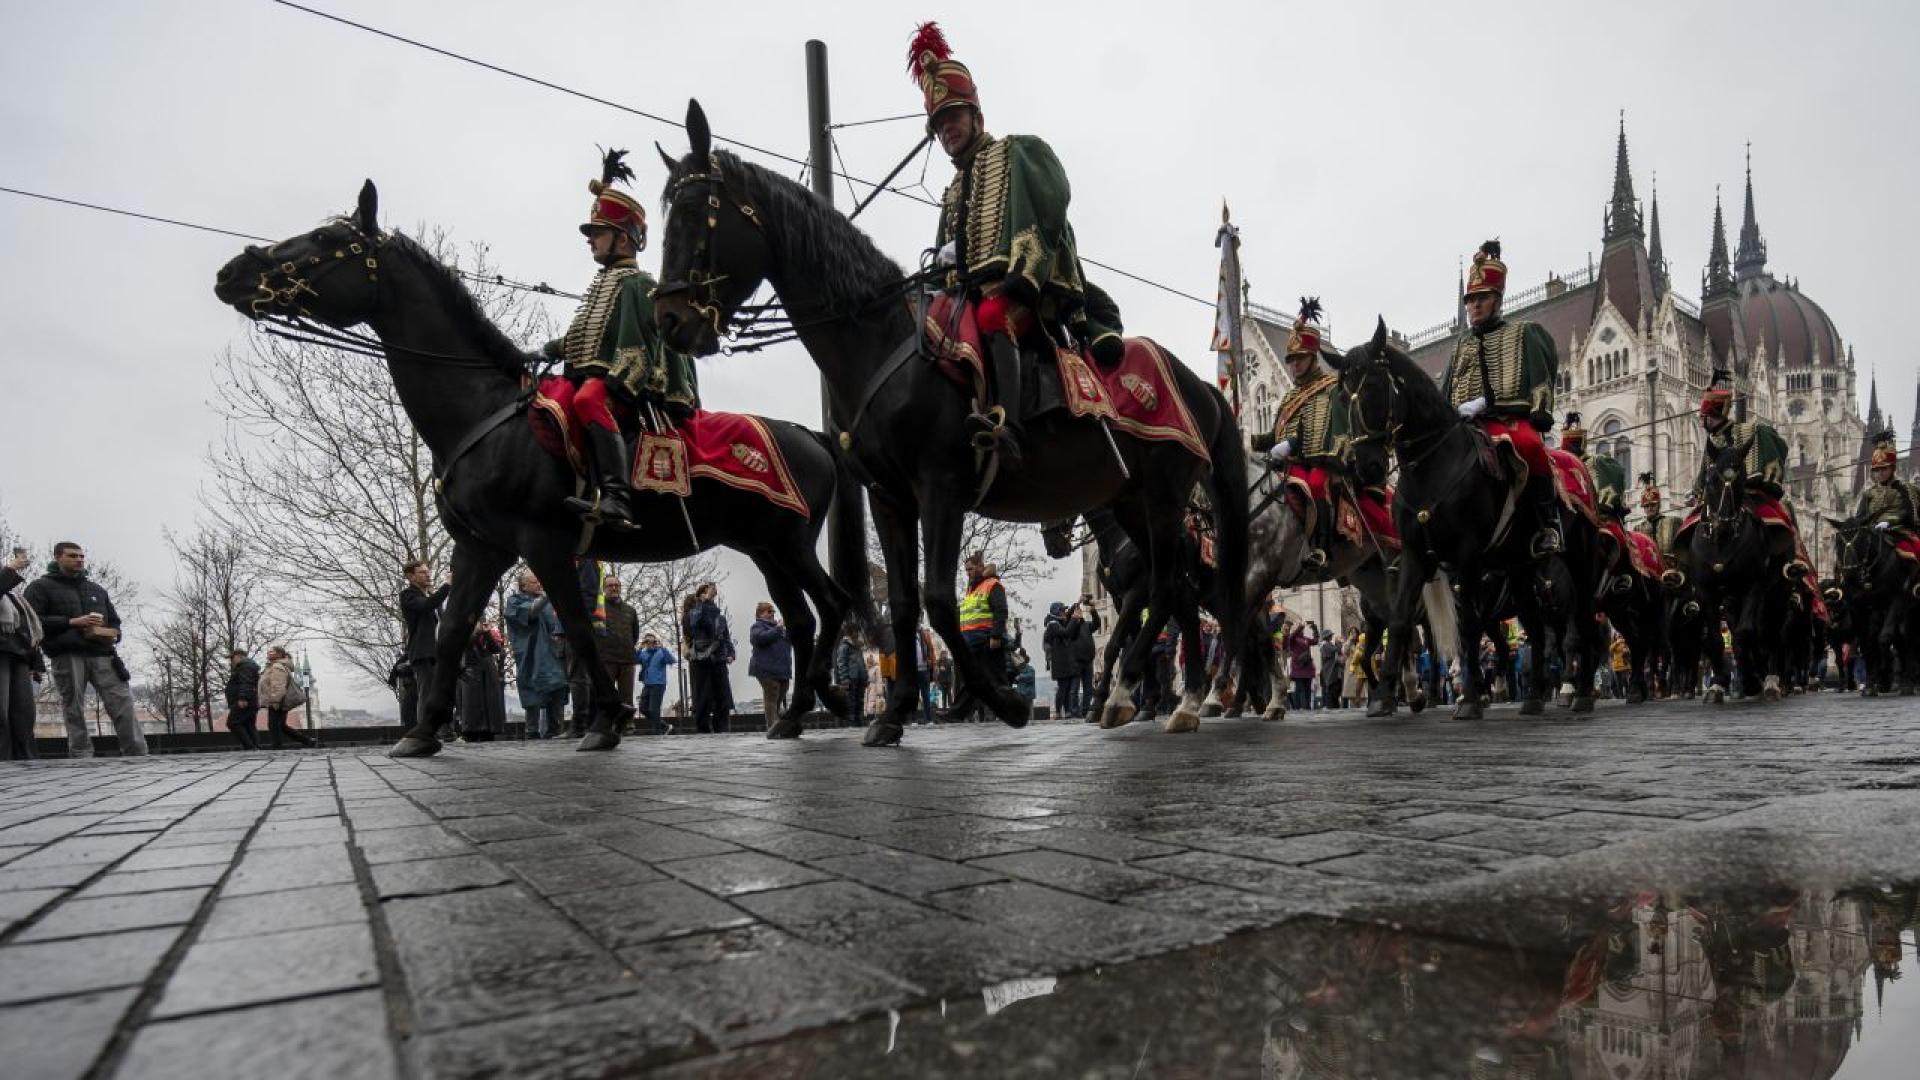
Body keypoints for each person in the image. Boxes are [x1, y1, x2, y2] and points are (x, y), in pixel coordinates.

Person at [909, 22, 1121, 472]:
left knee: (990, 315)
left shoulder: (1015, 152)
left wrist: (1024, 270)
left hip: (1019, 293)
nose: (948, 130)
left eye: (954, 118)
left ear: (976, 118)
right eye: (940, 124)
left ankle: (1008, 422)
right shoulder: (950, 192)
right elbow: (946, 259)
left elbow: (1051, 200)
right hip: (966, 293)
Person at [540, 148, 695, 529]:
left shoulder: (638, 284)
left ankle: (616, 497)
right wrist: (547, 349)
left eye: (598, 233)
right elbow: (590, 340)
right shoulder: (606, 283)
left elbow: (640, 347)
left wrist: (617, 383)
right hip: (602, 374)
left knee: (589, 397)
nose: (590, 240)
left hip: (631, 384)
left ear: (623, 239)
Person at [1439, 240, 1563, 557]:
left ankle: (1548, 524)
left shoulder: (1523, 333)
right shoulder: (1460, 346)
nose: (1474, 306)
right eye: (1470, 300)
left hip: (1504, 421)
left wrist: (1492, 405)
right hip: (1463, 427)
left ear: (1497, 300)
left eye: (1482, 299)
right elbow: (1444, 394)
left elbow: (1541, 377)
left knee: (1531, 446)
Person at [24, 542, 146, 757]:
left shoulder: (97, 590)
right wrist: (72, 622)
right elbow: (31, 622)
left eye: (81, 556)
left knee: (123, 704)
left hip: (103, 654)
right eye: (73, 556)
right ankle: (81, 756)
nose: (79, 559)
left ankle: (137, 753)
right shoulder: (39, 587)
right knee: (74, 708)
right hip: (67, 654)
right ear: (57, 558)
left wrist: (112, 633)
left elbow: (115, 621)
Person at [1262, 299, 1353, 570]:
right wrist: (1252, 443)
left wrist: (1297, 446)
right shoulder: (1290, 396)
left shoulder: (1331, 388)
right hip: (1288, 463)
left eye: (1299, 358)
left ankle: (1321, 548)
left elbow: (1340, 430)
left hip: (1321, 462)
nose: (1294, 365)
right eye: (1291, 360)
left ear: (1313, 357)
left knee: (1314, 484)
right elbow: (1274, 435)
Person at [942, 553, 1009, 721]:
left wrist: (996, 636)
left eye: (970, 569)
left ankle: (957, 713)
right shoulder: (972, 589)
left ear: (981, 566)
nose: (968, 573)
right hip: (972, 644)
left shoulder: (993, 585)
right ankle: (957, 713)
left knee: (994, 680)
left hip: (987, 641)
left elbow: (1001, 611)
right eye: (966, 570)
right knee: (977, 681)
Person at [505, 572, 569, 738]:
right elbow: (530, 613)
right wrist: (546, 597)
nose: (539, 585)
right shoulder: (514, 601)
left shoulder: (550, 604)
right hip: (531, 655)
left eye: (540, 582)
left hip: (554, 654)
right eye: (535, 582)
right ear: (523, 586)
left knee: (557, 688)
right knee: (532, 690)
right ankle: (531, 732)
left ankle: (555, 731)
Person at [2, 548, 47, 760]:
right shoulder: (5, 583)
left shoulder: (12, 596)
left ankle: (26, 761)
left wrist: (36, 664)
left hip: (18, 654)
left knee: (24, 713)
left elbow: (28, 630)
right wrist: (9, 570)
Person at [398, 559, 448, 730]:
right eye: (422, 572)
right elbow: (426, 606)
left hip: (438, 652)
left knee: (440, 694)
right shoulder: (408, 595)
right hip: (423, 652)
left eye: (428, 571)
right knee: (426, 693)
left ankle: (442, 729)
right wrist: (447, 586)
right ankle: (424, 731)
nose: (428, 575)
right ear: (411, 577)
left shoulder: (431, 596)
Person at [1852, 430, 1920, 555]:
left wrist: (1889, 522)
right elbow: (1859, 519)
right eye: (1876, 470)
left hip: (1899, 534)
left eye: (1884, 468)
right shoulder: (1868, 494)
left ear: (1892, 468)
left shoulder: (1905, 488)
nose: (1880, 473)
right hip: (1872, 536)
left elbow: (1909, 514)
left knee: (1916, 550)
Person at [684, 583, 733, 734]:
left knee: (723, 696)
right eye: (705, 593)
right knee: (703, 697)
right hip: (701, 660)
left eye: (711, 593)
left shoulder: (720, 616)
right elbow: (695, 624)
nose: (710, 595)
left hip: (718, 659)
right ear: (698, 597)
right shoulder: (691, 614)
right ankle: (703, 728)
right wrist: (704, 603)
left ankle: (722, 728)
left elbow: (725, 637)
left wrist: (731, 652)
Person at [599, 575, 640, 726]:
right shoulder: (598, 608)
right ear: (604, 589)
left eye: (617, 585)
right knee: (606, 695)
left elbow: (635, 634)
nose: (614, 588)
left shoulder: (631, 610)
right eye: (610, 585)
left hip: (627, 659)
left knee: (627, 696)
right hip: (606, 659)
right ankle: (605, 724)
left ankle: (627, 723)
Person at [457, 621, 508, 742]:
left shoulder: (485, 631)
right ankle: (471, 732)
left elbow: (496, 648)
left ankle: (489, 729)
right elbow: (465, 645)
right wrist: (477, 632)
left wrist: (487, 634)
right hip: (471, 669)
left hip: (488, 670)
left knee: (489, 703)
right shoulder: (461, 627)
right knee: (472, 704)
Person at [257, 645, 315, 749]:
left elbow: (278, 685)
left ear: (279, 654)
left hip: (277, 700)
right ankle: (307, 741)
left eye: (272, 651)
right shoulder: (273, 666)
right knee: (281, 725)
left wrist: (275, 700)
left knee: (273, 724)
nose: (269, 653)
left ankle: (277, 746)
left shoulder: (277, 666)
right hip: (278, 699)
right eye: (269, 651)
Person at [748, 601, 793, 731]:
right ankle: (772, 725)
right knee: (772, 692)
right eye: (769, 611)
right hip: (765, 669)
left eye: (773, 611)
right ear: (761, 614)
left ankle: (776, 719)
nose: (773, 613)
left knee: (782, 690)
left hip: (781, 669)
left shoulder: (779, 629)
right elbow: (759, 638)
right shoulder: (757, 626)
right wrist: (778, 629)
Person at [634, 632, 678, 735]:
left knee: (654, 709)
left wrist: (662, 648)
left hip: (658, 684)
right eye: (647, 641)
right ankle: (666, 726)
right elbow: (634, 660)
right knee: (643, 708)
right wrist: (640, 648)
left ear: (655, 642)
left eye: (652, 641)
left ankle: (657, 731)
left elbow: (672, 660)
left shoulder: (661, 652)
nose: (649, 643)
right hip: (647, 684)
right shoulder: (643, 653)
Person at [1042, 602, 1078, 720]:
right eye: (1062, 610)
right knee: (1062, 688)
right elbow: (1066, 632)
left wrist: (1076, 605)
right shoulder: (1053, 624)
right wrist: (1074, 619)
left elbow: (1067, 620)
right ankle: (1058, 711)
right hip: (1059, 662)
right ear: (1057, 612)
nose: (1064, 613)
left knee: (1066, 688)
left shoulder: (1057, 622)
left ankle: (1067, 711)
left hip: (1063, 661)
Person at [223, 648, 262, 751]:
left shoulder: (245, 666)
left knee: (233, 722)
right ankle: (255, 747)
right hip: (251, 699)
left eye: (233, 658)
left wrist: (242, 698)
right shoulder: (249, 666)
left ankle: (250, 747)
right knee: (249, 724)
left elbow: (246, 682)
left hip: (245, 700)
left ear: (240, 656)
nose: (232, 661)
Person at [833, 627, 869, 729]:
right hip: (851, 678)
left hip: (860, 677)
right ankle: (852, 722)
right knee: (851, 701)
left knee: (860, 700)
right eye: (855, 632)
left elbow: (862, 662)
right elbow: (842, 663)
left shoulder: (857, 646)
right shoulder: (844, 646)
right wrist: (844, 679)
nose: (857, 634)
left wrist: (865, 676)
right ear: (850, 633)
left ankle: (859, 720)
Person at [1070, 600, 1099, 717]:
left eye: (1080, 611)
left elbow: (1097, 623)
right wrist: (1077, 603)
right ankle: (1074, 711)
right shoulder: (1070, 626)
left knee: (1088, 688)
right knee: (1075, 688)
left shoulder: (1086, 625)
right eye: (1078, 611)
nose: (1080, 612)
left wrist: (1093, 610)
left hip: (1088, 661)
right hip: (1076, 661)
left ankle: (1085, 710)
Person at [1010, 647, 1036, 711]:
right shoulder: (1019, 670)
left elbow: (1031, 677)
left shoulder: (1030, 669)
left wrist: (1020, 677)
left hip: (1027, 695)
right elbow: (1015, 681)